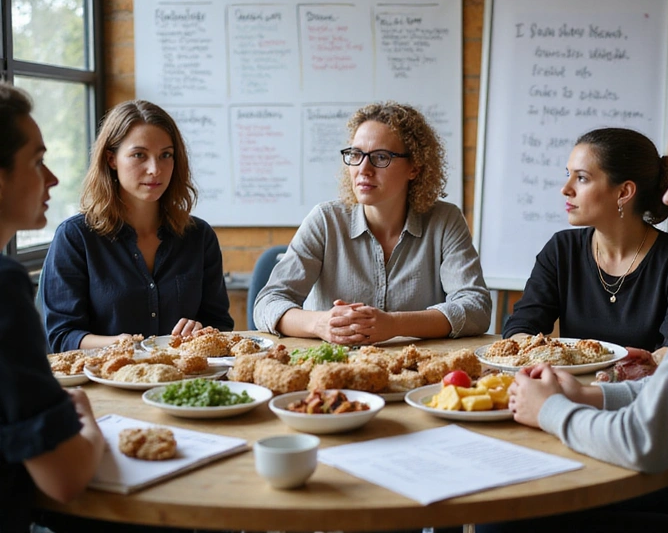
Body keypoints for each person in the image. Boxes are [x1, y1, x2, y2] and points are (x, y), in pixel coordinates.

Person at [508, 101, 668, 532]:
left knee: (512, 521)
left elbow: (645, 442)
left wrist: (550, 409)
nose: (666, 196)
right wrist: (591, 395)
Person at [254, 101, 491, 345]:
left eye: (381, 157)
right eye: (356, 155)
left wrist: (395, 325)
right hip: (333, 364)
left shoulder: (445, 221)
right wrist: (319, 323)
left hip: (416, 364)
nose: (363, 169)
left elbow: (476, 308)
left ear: (415, 168)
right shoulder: (325, 220)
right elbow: (267, 304)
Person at [41, 100, 234, 352]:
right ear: (111, 159)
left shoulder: (199, 236)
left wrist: (202, 330)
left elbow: (220, 324)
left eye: (166, 155)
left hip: (184, 374)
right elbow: (62, 336)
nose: (155, 169)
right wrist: (122, 345)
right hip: (105, 374)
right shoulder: (75, 237)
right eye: (139, 155)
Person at [502, 128, 668, 356]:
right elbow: (520, 326)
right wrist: (535, 353)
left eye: (581, 178)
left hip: (647, 381)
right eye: (568, 174)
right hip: (567, 379)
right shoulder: (562, 249)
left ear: (624, 192)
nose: (566, 189)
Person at [0, 82, 105, 532]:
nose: (53, 179)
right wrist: (88, 424)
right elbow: (65, 477)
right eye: (37, 161)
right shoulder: (4, 287)